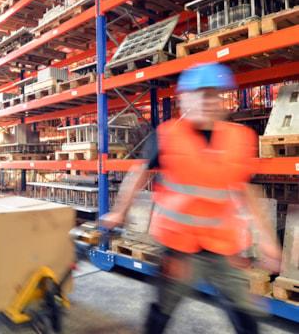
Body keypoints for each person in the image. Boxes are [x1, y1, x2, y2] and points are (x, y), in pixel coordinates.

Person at [101, 63, 281, 334]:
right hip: (179, 246)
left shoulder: (239, 138)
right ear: (184, 99)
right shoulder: (166, 136)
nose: (208, 101)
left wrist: (267, 240)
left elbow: (247, 190)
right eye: (200, 94)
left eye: (214, 94)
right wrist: (119, 211)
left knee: (242, 306)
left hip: (223, 246)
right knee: (165, 304)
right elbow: (138, 174)